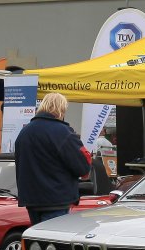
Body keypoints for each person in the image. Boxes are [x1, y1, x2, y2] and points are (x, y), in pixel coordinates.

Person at [12, 92, 91, 225]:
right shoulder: (63, 132)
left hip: (31, 200)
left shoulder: (24, 132)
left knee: (38, 237)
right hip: (56, 199)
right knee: (53, 237)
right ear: (61, 109)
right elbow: (82, 167)